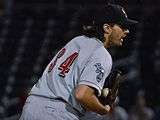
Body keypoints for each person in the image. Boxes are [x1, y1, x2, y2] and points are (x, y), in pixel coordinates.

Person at [19, 3, 138, 120]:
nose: (127, 31)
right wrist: (103, 109)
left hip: (32, 105)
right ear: (107, 28)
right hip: (57, 112)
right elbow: (82, 95)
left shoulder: (77, 41)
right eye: (122, 26)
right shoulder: (101, 53)